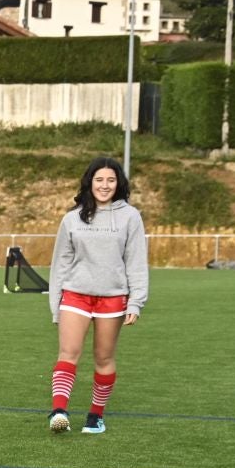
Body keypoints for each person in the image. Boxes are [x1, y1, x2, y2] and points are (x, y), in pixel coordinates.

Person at [47, 156, 147, 435]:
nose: (105, 185)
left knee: (104, 358)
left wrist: (136, 302)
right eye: (99, 179)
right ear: (89, 182)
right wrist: (56, 303)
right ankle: (58, 411)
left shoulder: (130, 216)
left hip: (112, 298)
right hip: (75, 294)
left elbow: (136, 261)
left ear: (119, 183)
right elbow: (61, 263)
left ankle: (95, 416)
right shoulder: (72, 218)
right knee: (68, 352)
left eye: (111, 180)